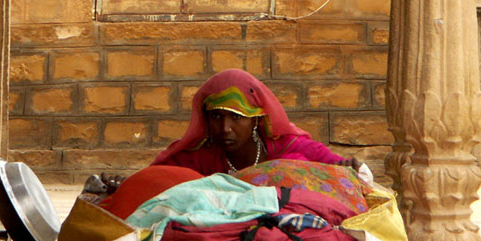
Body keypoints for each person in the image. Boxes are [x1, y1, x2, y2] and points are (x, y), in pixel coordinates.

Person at [152, 69, 360, 175]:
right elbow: (155, 179)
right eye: (216, 117)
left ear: (255, 120)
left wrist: (349, 168)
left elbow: (336, 166)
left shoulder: (288, 146)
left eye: (236, 117)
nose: (225, 129)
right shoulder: (199, 157)